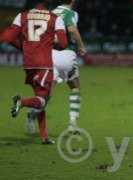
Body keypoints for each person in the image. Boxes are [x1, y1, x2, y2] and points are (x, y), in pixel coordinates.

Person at [0, 0, 68, 144]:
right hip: (44, 64)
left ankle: (44, 137)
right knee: (43, 100)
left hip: (28, 63)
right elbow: (63, 44)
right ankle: (22, 102)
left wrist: (23, 48)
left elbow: (7, 38)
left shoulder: (22, 16)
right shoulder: (55, 18)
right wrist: (50, 41)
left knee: (39, 99)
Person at [26, 0, 87, 135]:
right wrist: (81, 46)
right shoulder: (70, 13)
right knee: (75, 88)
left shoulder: (50, 13)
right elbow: (72, 30)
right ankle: (72, 123)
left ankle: (32, 113)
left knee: (47, 93)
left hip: (49, 56)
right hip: (65, 55)